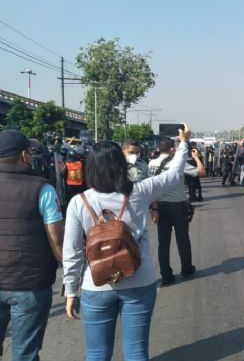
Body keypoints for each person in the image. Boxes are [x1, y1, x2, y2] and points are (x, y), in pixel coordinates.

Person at [62, 125, 190, 361]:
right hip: (139, 281)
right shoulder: (140, 191)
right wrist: (183, 143)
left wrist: (71, 290)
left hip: (96, 284)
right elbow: (174, 174)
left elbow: (71, 252)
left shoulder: (79, 202)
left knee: (97, 354)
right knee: (136, 351)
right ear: (121, 166)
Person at [0, 130, 64, 361]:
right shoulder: (42, 189)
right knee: (25, 353)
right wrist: (70, 276)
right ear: (24, 155)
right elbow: (56, 238)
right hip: (30, 283)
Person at [148, 136, 205, 286]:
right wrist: (196, 158)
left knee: (163, 242)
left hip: (160, 205)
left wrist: (154, 207)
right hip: (178, 206)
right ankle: (186, 268)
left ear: (159, 149)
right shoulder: (177, 163)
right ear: (172, 148)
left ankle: (166, 275)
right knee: (182, 239)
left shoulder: (151, 163)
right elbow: (201, 172)